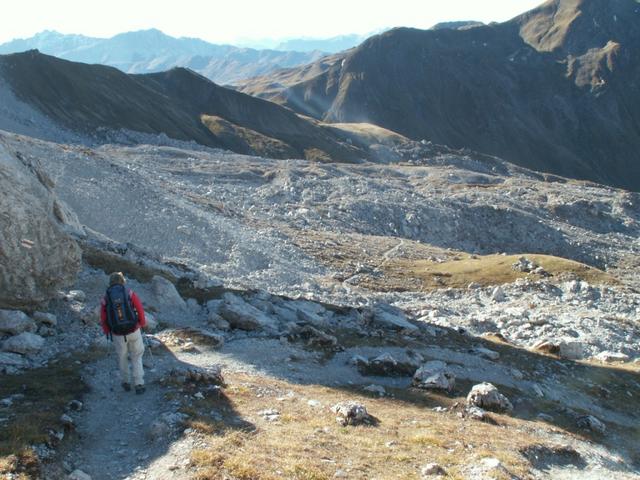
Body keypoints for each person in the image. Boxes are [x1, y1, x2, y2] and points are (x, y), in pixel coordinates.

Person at [100, 272, 147, 394]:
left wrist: (107, 331)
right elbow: (139, 308)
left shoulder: (106, 297)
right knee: (137, 355)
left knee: (122, 357)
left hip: (117, 333)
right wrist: (142, 323)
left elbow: (103, 317)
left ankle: (126, 382)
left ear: (110, 282)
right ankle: (139, 383)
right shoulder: (128, 292)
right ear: (122, 281)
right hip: (134, 329)